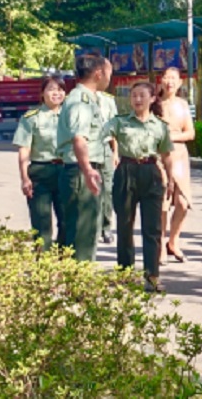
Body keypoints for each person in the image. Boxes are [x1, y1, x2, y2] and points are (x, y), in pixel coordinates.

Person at [105, 81, 174, 293]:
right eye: (134, 95)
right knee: (124, 225)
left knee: (152, 228)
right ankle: (125, 274)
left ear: (152, 99)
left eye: (142, 95)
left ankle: (152, 276)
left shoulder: (160, 126)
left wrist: (171, 180)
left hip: (151, 172)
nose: (137, 99)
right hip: (126, 171)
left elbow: (166, 155)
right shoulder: (120, 122)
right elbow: (103, 135)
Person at [56, 55, 112, 262]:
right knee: (84, 234)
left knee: (79, 231)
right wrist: (88, 170)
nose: (110, 78)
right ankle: (80, 278)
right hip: (80, 172)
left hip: (81, 169)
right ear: (98, 74)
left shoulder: (89, 98)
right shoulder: (81, 101)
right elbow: (79, 138)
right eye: (109, 73)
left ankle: (75, 276)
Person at [12, 76, 67, 251]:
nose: (56, 93)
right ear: (42, 93)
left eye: (60, 89)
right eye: (51, 89)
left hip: (66, 171)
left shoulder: (71, 117)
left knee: (67, 221)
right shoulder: (31, 118)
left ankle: (64, 258)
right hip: (41, 171)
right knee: (41, 223)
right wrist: (24, 178)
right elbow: (24, 150)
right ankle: (43, 260)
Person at [159, 67, 196, 262]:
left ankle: (173, 241)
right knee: (162, 203)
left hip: (179, 155)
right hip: (160, 156)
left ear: (180, 82)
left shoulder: (183, 105)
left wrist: (172, 137)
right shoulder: (154, 103)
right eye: (166, 77)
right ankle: (160, 244)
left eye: (173, 78)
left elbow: (190, 133)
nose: (169, 82)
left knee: (182, 202)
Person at [98, 89, 119, 244]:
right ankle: (92, 227)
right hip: (85, 148)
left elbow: (114, 129)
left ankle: (106, 227)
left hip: (105, 149)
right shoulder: (75, 98)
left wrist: (115, 152)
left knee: (108, 190)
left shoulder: (108, 100)